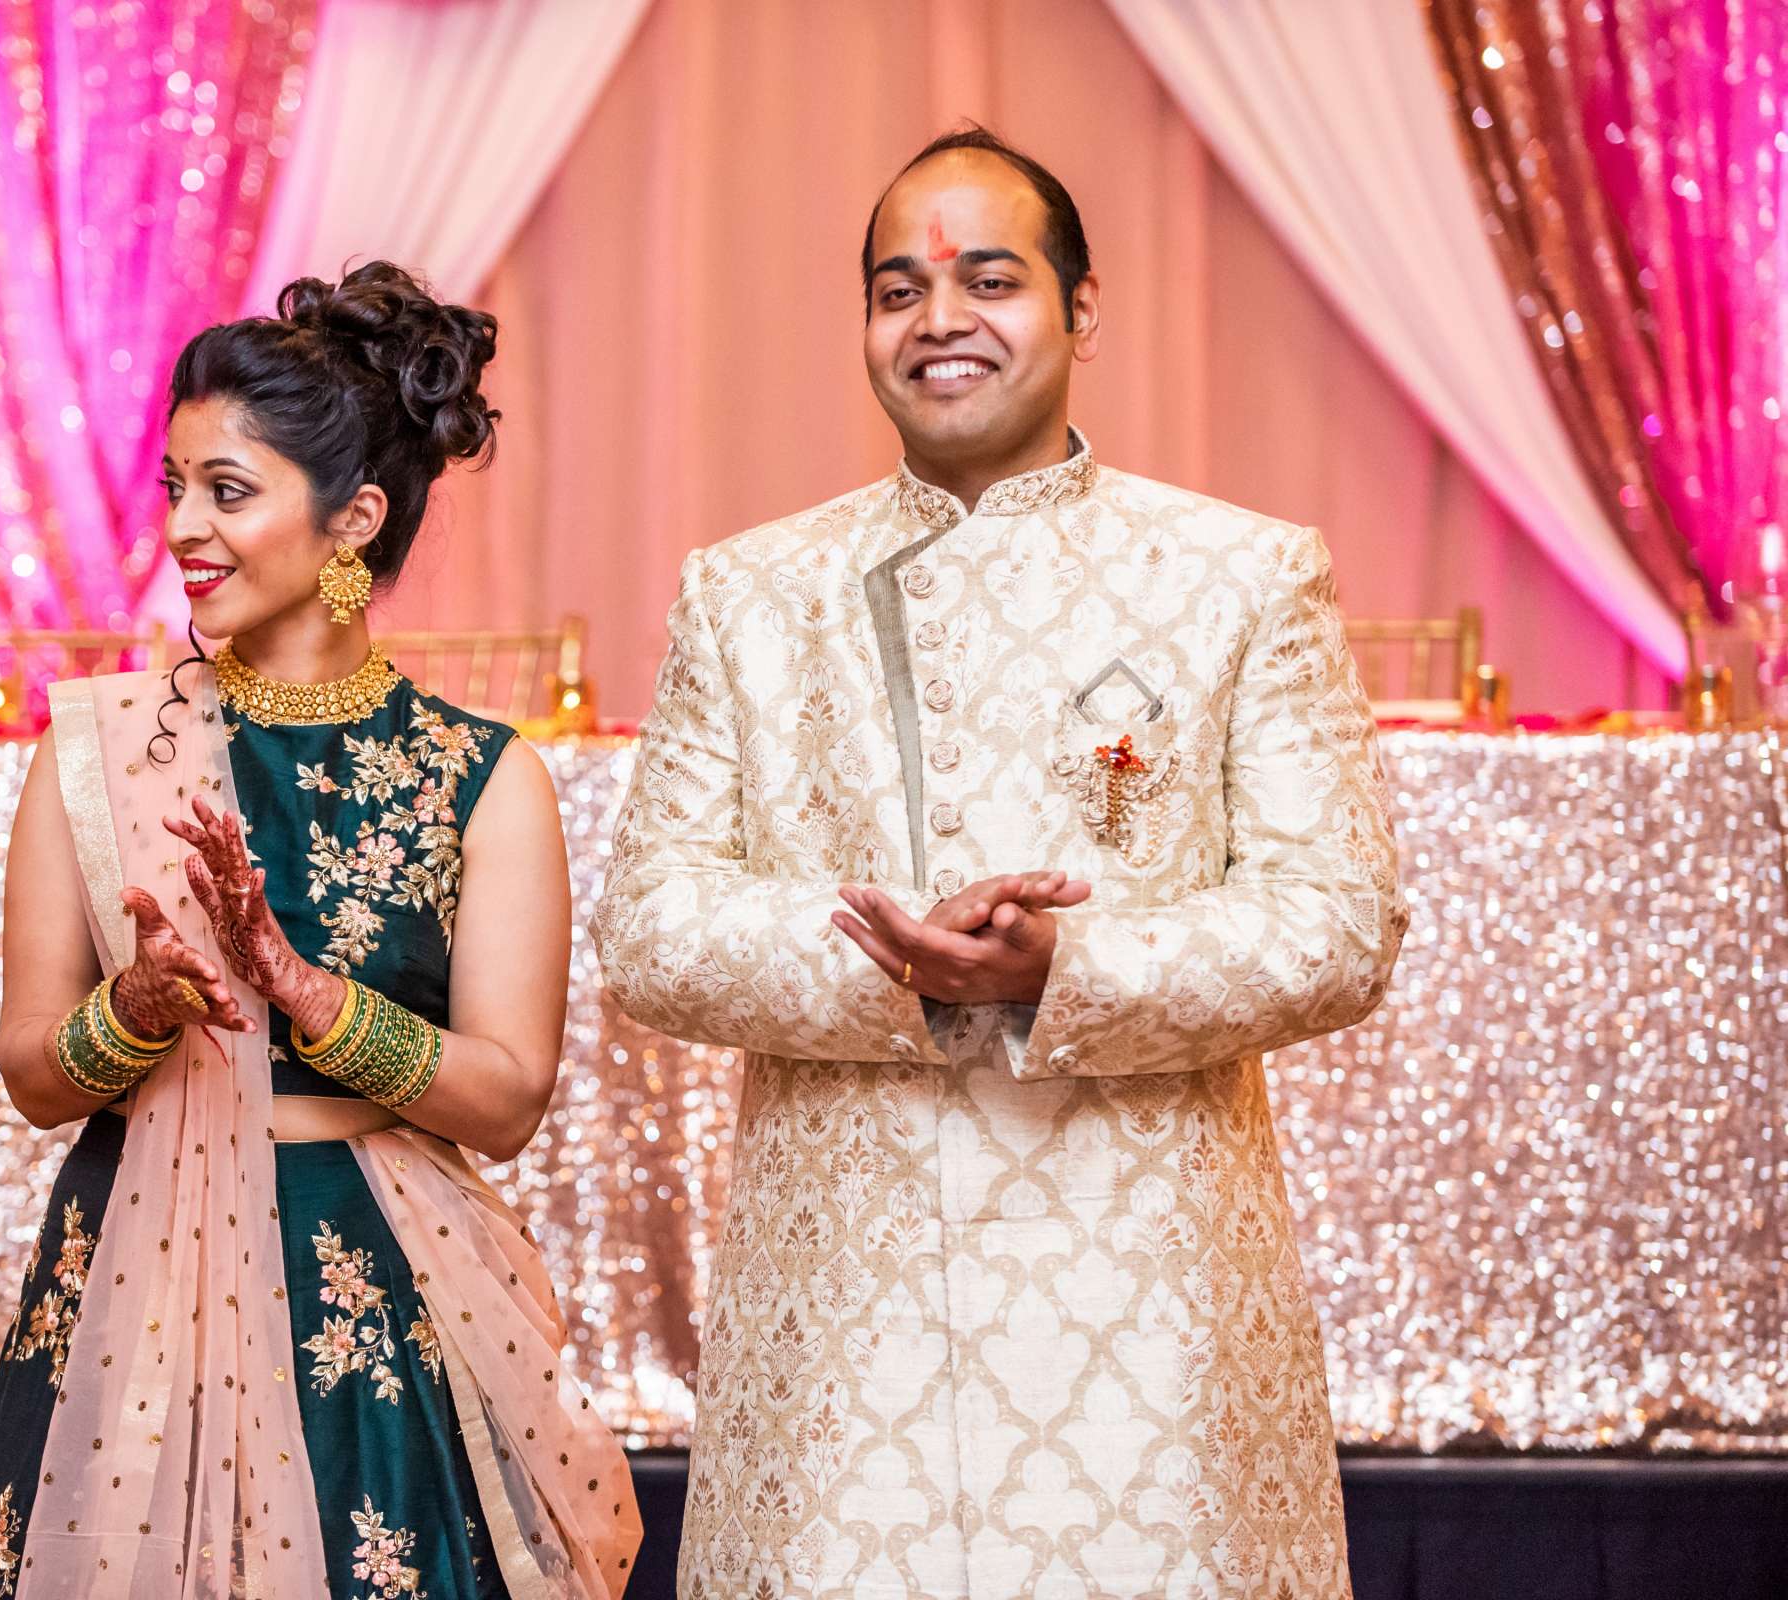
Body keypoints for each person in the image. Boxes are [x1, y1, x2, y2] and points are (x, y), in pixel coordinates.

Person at [591, 128, 1406, 1599]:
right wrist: (886, 954)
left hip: (1148, 1298)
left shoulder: (1239, 573)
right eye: (897, 289)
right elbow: (650, 929)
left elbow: (1339, 922)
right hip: (843, 1309)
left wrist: (1071, 970)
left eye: (990, 278)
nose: (940, 319)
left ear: (1083, 311)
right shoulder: (749, 593)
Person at [0, 261, 639, 1600]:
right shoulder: (97, 751)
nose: (185, 530)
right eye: (175, 488)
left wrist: (303, 992)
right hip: (134, 1310)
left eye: (229, 490)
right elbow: (35, 1076)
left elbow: (504, 1100)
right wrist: (134, 1011)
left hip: (376, 1302)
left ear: (352, 520)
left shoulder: (483, 777)